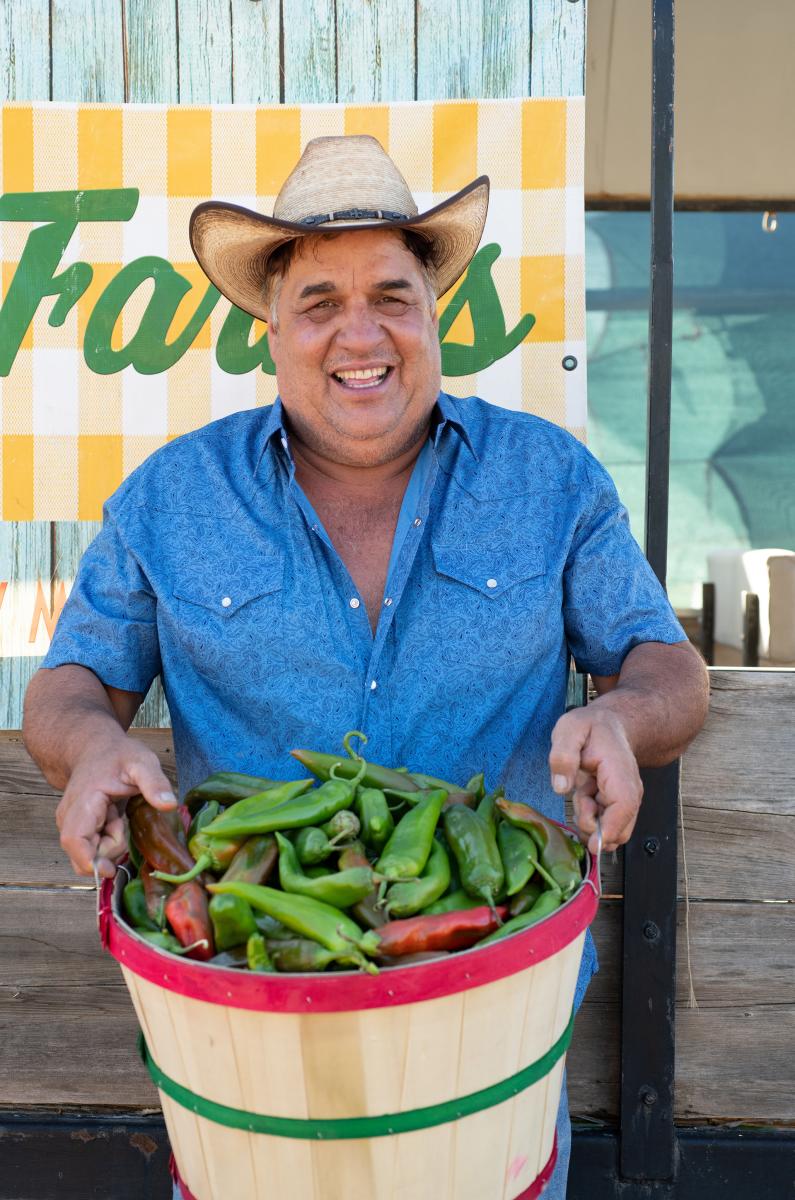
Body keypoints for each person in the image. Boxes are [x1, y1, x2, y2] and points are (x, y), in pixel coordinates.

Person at [23, 134, 709, 1198]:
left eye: (393, 295)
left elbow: (667, 666)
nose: (361, 334)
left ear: (436, 313)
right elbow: (69, 687)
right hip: (254, 999)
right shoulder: (173, 499)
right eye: (320, 303)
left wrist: (622, 718)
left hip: (494, 996)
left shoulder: (547, 480)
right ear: (271, 330)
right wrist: (93, 746)